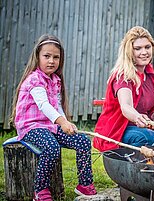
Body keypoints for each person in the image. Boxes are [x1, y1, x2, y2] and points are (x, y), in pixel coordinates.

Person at [9, 34, 96, 200]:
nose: (51, 61)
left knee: (83, 142)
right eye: (46, 56)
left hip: (50, 126)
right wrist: (61, 122)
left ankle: (84, 185)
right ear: (37, 57)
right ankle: (40, 190)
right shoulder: (34, 79)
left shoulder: (55, 79)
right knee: (52, 148)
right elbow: (44, 105)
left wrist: (66, 123)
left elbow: (56, 106)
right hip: (31, 127)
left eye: (56, 57)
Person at [93, 26, 154, 152]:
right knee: (150, 137)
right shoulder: (123, 77)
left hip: (139, 127)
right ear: (129, 51)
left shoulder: (149, 74)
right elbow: (126, 106)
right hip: (116, 130)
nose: (144, 52)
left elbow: (150, 103)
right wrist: (137, 117)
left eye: (147, 47)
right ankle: (135, 167)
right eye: (138, 48)